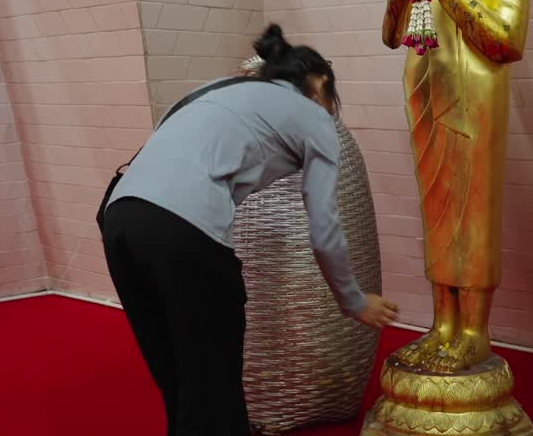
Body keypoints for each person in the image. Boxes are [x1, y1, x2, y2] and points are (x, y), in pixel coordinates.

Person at [101, 24, 399, 436]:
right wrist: (352, 301)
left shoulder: (216, 88)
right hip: (184, 231)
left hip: (120, 221)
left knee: (176, 370)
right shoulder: (315, 118)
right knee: (213, 375)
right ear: (321, 83)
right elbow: (324, 227)